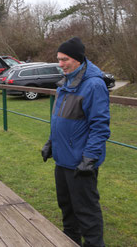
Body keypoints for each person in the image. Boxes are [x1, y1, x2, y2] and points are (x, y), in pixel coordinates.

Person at [41, 37, 110, 247]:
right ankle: (70, 241)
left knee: (86, 211)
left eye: (65, 59)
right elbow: (59, 120)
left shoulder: (94, 85)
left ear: (78, 60)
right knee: (67, 208)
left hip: (80, 161)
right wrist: (51, 142)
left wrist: (90, 157)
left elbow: (100, 126)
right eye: (59, 59)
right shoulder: (66, 82)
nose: (61, 64)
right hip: (62, 160)